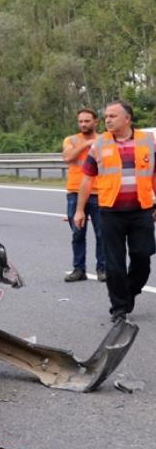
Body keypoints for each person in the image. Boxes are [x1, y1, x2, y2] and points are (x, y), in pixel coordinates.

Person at [74, 100, 156, 321]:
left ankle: (129, 293)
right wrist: (80, 210)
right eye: (106, 116)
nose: (108, 120)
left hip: (142, 210)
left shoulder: (148, 140)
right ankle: (119, 308)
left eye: (113, 116)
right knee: (114, 264)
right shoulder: (100, 143)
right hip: (110, 211)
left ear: (127, 119)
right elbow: (87, 178)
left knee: (143, 257)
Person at [62, 108, 105, 282]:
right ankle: (79, 269)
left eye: (87, 121)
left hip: (99, 192)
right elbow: (67, 157)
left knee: (102, 233)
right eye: (80, 121)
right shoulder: (71, 140)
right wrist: (86, 145)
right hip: (75, 192)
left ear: (96, 122)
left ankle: (103, 269)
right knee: (77, 234)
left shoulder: (105, 140)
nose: (83, 124)